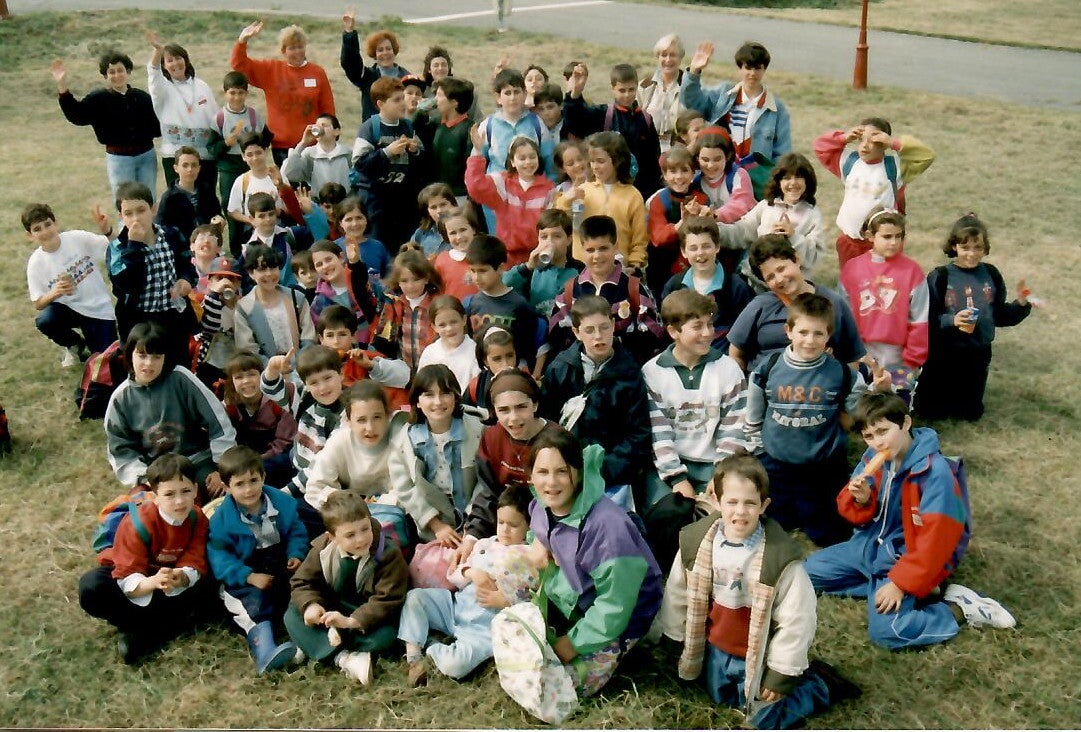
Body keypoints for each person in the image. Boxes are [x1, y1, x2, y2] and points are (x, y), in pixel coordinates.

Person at [803, 392, 1017, 649]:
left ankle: (959, 608)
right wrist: (862, 500)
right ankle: (919, 590)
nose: (877, 442)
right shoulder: (872, 458)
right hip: (867, 546)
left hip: (902, 557)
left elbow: (936, 541)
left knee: (890, 632)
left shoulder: (935, 473)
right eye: (869, 436)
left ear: (905, 423)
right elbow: (853, 513)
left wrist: (900, 583)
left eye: (883, 431)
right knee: (804, 575)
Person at [660, 454, 858, 729]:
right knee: (723, 699)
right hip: (717, 644)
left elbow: (796, 619)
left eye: (750, 503)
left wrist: (781, 672)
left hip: (757, 649)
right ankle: (733, 681)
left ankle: (817, 686)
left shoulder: (780, 558)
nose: (740, 511)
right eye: (732, 502)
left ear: (763, 506)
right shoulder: (697, 543)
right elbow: (678, 592)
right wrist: (674, 636)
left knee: (761, 716)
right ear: (716, 502)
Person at [494, 431, 663, 712]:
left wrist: (571, 644)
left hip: (620, 616)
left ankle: (618, 648)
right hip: (575, 591)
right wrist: (540, 545)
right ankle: (541, 628)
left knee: (561, 691)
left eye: (562, 471)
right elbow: (541, 535)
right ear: (531, 475)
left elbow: (615, 606)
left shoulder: (608, 528)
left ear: (579, 472)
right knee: (510, 563)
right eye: (542, 472)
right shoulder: (539, 504)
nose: (551, 482)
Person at [744, 293, 886, 547]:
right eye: (803, 332)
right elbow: (754, 413)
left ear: (828, 336)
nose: (810, 341)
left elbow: (860, 410)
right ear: (789, 331)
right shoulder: (768, 368)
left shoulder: (841, 373)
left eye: (818, 334)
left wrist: (878, 390)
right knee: (775, 526)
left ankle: (817, 515)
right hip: (777, 462)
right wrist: (758, 449)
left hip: (823, 463)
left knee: (829, 535)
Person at [78, 454, 214, 664]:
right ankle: (150, 626)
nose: (179, 501)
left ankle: (148, 629)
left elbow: (195, 556)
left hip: (171, 581)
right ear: (155, 494)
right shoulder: (137, 523)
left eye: (186, 491)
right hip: (138, 579)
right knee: (92, 586)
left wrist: (183, 576)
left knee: (213, 575)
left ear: (196, 489)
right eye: (169, 494)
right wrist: (152, 583)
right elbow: (127, 570)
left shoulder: (197, 518)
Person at [399, 483, 538, 685]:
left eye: (513, 525)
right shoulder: (485, 544)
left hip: (483, 629)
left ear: (529, 526)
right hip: (455, 607)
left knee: (455, 666)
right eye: (501, 523)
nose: (505, 530)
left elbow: (531, 600)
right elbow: (454, 576)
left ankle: (431, 645)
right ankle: (413, 657)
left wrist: (506, 599)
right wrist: (473, 573)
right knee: (415, 598)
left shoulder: (529, 557)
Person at [914, 213, 1032, 421]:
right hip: (943, 352)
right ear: (954, 247)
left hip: (977, 352)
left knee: (969, 414)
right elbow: (926, 317)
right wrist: (952, 320)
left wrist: (1021, 305)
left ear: (985, 248)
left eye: (978, 248)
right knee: (931, 411)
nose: (972, 254)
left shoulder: (991, 274)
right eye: (965, 247)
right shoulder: (940, 276)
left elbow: (999, 314)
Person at [539, 295, 652, 511]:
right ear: (576, 332)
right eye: (589, 330)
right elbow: (547, 424)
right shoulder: (560, 369)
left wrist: (601, 471)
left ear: (613, 326)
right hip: (566, 471)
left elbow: (638, 434)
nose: (598, 336)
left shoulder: (629, 373)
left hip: (613, 474)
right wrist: (566, 468)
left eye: (604, 327)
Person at [285, 490, 409, 685]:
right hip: (330, 611)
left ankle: (313, 645)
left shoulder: (388, 553)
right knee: (292, 614)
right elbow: (302, 582)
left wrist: (351, 622)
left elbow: (388, 599)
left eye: (365, 529)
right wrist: (311, 606)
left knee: (386, 636)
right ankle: (344, 658)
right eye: (350, 535)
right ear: (332, 536)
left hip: (363, 616)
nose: (361, 539)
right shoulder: (322, 550)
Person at [642, 289, 751, 508]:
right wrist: (677, 479)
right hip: (669, 467)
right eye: (697, 326)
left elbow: (734, 428)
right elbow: (659, 433)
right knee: (669, 513)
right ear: (674, 332)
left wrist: (721, 475)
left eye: (709, 324)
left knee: (725, 511)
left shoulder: (728, 369)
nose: (707, 333)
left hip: (717, 465)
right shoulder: (652, 372)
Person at [207, 445, 308, 674]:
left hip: (278, 561)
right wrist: (249, 576)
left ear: (263, 476)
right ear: (227, 487)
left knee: (302, 585)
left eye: (253, 480)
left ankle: (306, 629)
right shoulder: (222, 520)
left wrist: (295, 554)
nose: (248, 489)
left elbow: (296, 531)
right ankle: (265, 649)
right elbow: (219, 557)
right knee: (252, 602)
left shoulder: (282, 503)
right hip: (245, 569)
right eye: (239, 484)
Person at [105, 322, 236, 495]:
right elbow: (120, 451)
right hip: (158, 476)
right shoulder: (120, 399)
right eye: (142, 355)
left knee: (226, 496)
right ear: (130, 355)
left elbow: (219, 423)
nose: (149, 363)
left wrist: (222, 467)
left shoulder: (181, 378)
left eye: (157, 356)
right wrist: (144, 480)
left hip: (198, 462)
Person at [727, 235, 865, 374]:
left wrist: (846, 391)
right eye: (770, 277)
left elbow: (851, 358)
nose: (780, 279)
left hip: (818, 386)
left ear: (796, 259)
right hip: (767, 387)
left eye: (781, 269)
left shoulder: (834, 303)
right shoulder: (760, 306)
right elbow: (735, 352)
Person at [813, 117, 935, 267]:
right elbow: (820, 146)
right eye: (862, 140)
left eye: (874, 141)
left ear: (884, 145)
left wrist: (893, 142)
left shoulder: (895, 167)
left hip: (882, 244)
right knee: (851, 284)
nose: (865, 146)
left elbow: (926, 156)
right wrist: (844, 138)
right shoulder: (849, 162)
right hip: (850, 243)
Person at [546, 215, 664, 366]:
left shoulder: (635, 289)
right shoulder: (568, 293)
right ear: (581, 250)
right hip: (580, 378)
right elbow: (557, 343)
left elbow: (654, 339)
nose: (597, 256)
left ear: (615, 247)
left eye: (603, 248)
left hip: (623, 378)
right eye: (590, 250)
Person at [838, 208, 929, 402]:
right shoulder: (852, 269)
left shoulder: (912, 271)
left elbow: (920, 319)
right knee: (862, 408)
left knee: (895, 411)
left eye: (899, 236)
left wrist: (913, 359)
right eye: (887, 236)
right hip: (862, 353)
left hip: (898, 356)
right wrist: (853, 353)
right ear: (870, 235)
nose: (894, 242)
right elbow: (844, 315)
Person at [388, 365, 485, 545]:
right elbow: (405, 488)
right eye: (429, 395)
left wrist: (473, 524)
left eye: (445, 393)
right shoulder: (406, 439)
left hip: (474, 516)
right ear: (417, 400)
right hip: (431, 517)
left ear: (456, 397)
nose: (438, 402)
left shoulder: (476, 430)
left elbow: (484, 480)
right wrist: (436, 525)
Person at [107, 181, 198, 367]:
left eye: (141, 210)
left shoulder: (172, 235)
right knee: (144, 367)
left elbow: (187, 265)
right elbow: (125, 285)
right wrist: (134, 247)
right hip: (138, 320)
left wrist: (186, 280)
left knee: (177, 363)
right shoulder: (118, 248)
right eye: (128, 213)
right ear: (120, 216)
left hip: (172, 315)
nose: (136, 219)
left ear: (153, 209)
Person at [51, 52, 159, 196]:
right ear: (105, 76)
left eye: (120, 70)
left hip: (146, 157)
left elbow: (158, 126)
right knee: (125, 200)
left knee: (148, 197)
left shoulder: (142, 98)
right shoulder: (98, 99)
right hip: (119, 159)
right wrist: (62, 85)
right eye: (111, 72)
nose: (116, 75)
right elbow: (76, 115)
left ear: (128, 71)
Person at [23, 202, 118, 366]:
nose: (45, 231)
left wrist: (107, 230)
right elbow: (38, 303)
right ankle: (74, 344)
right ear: (30, 235)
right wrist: (54, 292)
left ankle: (94, 339)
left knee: (106, 361)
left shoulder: (76, 238)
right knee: (45, 320)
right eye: (37, 229)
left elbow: (113, 244)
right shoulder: (36, 263)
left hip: (98, 309)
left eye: (48, 224)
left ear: (56, 223)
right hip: (69, 310)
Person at [230, 20, 336, 163]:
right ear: (283, 51)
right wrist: (242, 41)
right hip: (282, 147)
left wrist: (329, 136)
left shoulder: (317, 72)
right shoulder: (271, 70)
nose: (297, 52)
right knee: (287, 185)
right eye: (292, 48)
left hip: (313, 144)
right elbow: (239, 65)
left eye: (300, 47)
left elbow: (327, 109)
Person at [302, 381, 401, 533]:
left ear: (387, 416)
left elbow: (407, 489)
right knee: (300, 511)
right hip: (347, 505)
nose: (370, 428)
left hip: (389, 508)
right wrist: (351, 504)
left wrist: (376, 505)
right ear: (348, 421)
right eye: (361, 420)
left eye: (377, 417)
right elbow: (315, 488)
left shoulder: (399, 438)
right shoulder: (339, 441)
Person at [681, 41, 791, 175]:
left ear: (764, 69)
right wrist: (694, 71)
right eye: (748, 67)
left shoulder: (777, 109)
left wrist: (772, 182)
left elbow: (782, 154)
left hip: (754, 181)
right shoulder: (723, 94)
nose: (752, 73)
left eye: (757, 68)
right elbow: (692, 102)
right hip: (718, 173)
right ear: (740, 68)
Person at [724, 152, 825, 289]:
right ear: (778, 182)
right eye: (786, 178)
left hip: (789, 286)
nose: (793, 183)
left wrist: (793, 237)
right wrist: (713, 228)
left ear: (808, 181)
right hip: (754, 281)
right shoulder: (766, 206)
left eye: (799, 177)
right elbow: (741, 231)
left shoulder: (812, 215)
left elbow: (813, 258)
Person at [563, 63, 662, 198]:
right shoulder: (604, 114)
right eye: (622, 90)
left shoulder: (646, 119)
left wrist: (650, 193)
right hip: (607, 190)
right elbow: (576, 124)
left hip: (639, 191)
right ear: (613, 89)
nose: (627, 95)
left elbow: (653, 161)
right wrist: (575, 94)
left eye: (631, 89)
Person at [351, 77, 425, 255]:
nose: (402, 104)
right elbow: (360, 164)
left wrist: (415, 151)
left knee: (405, 246)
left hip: (403, 199)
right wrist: (386, 152)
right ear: (380, 103)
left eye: (403, 98)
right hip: (376, 200)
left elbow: (421, 161)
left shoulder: (407, 126)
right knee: (379, 245)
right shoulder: (370, 127)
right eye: (396, 100)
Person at [261, 344, 345, 499]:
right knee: (257, 472)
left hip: (321, 480)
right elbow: (271, 390)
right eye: (314, 382)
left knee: (289, 509)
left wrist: (287, 492)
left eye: (328, 378)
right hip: (296, 461)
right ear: (306, 385)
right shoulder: (305, 397)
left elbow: (322, 465)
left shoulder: (347, 414)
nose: (322, 387)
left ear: (341, 374)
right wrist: (272, 368)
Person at [557, 131, 648, 275]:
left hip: (618, 270)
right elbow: (559, 222)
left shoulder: (633, 195)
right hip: (582, 269)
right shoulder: (582, 191)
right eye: (592, 161)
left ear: (617, 160)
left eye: (600, 161)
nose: (595, 166)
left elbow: (639, 240)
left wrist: (634, 265)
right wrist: (565, 201)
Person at [661, 215, 754, 353]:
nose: (700, 253)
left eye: (706, 246)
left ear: (717, 247)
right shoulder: (675, 286)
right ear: (683, 251)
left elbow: (747, 331)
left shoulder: (735, 286)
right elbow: (668, 327)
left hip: (723, 359)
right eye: (693, 248)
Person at [475, 69, 551, 231]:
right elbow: (478, 164)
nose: (512, 97)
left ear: (524, 94)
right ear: (498, 97)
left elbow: (549, 161)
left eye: (517, 92)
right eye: (507, 93)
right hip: (498, 198)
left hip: (532, 199)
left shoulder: (537, 123)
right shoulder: (488, 126)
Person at [466, 128, 554, 266]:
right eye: (522, 158)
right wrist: (477, 152)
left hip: (538, 257)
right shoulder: (503, 183)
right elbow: (475, 186)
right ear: (512, 161)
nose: (528, 162)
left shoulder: (549, 189)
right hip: (507, 258)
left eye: (532, 156)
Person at [145, 31, 219, 190]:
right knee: (180, 202)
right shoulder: (162, 88)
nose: (175, 63)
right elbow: (153, 74)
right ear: (164, 66)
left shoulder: (202, 86)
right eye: (169, 60)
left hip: (204, 157)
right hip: (175, 155)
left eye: (178, 58)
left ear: (186, 60)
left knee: (206, 201)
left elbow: (215, 118)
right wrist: (158, 51)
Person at [210, 71, 268, 256]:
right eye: (232, 93)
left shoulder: (253, 116)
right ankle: (236, 251)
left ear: (246, 93)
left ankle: (257, 245)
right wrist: (226, 143)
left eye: (241, 93)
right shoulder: (219, 118)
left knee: (254, 204)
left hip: (250, 166)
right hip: (228, 168)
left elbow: (264, 140)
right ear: (225, 93)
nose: (236, 97)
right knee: (232, 207)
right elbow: (212, 148)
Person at [222, 350, 298, 489]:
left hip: (279, 454)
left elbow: (284, 441)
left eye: (252, 374)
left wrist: (255, 463)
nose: (246, 381)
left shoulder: (282, 395)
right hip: (245, 458)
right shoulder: (228, 405)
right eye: (239, 377)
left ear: (262, 375)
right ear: (232, 381)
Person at [464, 235, 539, 369]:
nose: (476, 277)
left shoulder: (519, 305)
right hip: (478, 372)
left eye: (482, 271)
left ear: (500, 268)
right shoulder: (471, 303)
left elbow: (528, 348)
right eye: (473, 271)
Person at [234, 245, 316, 365]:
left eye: (273, 268)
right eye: (262, 269)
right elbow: (248, 348)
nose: (269, 274)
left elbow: (309, 335)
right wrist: (273, 366)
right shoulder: (244, 307)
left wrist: (300, 361)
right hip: (266, 372)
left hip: (302, 366)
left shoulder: (296, 297)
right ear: (251, 273)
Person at [647, 144, 709, 295]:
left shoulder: (701, 199)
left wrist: (703, 217)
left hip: (692, 258)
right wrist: (681, 224)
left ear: (693, 173)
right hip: (662, 264)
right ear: (665, 174)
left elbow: (708, 233)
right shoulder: (660, 200)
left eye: (684, 170)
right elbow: (657, 237)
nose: (679, 177)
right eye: (673, 171)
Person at [502, 209, 582, 322]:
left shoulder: (578, 270)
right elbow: (504, 284)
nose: (550, 242)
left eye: (557, 236)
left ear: (568, 239)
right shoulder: (531, 269)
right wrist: (527, 267)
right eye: (544, 237)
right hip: (535, 329)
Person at [371, 250, 444, 375]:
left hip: (433, 373)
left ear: (426, 278)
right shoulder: (394, 306)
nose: (410, 286)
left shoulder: (437, 305)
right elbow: (384, 343)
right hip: (404, 374)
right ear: (398, 282)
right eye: (404, 281)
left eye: (415, 280)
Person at [340, 15, 411, 122]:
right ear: (374, 54)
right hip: (374, 132)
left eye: (388, 48)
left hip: (401, 132)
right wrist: (349, 33)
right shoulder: (367, 77)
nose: (385, 53)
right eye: (380, 50)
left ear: (394, 50)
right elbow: (351, 63)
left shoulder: (408, 78)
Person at [155, 146, 224, 244]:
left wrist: (219, 221)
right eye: (185, 165)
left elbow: (216, 213)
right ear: (176, 168)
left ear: (199, 168)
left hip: (207, 244)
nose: (190, 169)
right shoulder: (169, 198)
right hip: (181, 249)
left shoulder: (206, 191)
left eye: (194, 165)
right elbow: (161, 227)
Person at [417, 295, 481, 395]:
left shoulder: (475, 352)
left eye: (453, 322)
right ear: (434, 327)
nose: (449, 329)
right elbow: (421, 388)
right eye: (442, 325)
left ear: (464, 319)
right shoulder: (430, 353)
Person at [693, 129, 755, 227]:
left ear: (728, 156)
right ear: (697, 158)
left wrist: (715, 215)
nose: (711, 165)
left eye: (717, 159)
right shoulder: (697, 183)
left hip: (741, 230)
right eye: (705, 160)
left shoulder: (738, 175)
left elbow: (742, 204)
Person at [281, 114, 352, 195]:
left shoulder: (347, 153)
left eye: (324, 125)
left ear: (337, 131)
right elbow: (291, 175)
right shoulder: (309, 154)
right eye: (317, 126)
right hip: (319, 203)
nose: (319, 129)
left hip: (344, 203)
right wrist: (303, 143)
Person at [428, 77, 476, 198]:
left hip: (459, 195)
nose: (435, 100)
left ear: (454, 102)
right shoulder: (435, 124)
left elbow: (471, 167)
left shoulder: (469, 129)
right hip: (436, 194)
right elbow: (414, 127)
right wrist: (421, 110)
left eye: (439, 96)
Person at [638, 34, 686, 152]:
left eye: (673, 55)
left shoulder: (689, 87)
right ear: (657, 57)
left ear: (680, 58)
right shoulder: (644, 85)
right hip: (648, 151)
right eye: (663, 55)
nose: (668, 60)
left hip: (679, 154)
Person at [462, 324, 518, 422]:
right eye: (497, 359)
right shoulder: (476, 386)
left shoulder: (527, 384)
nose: (505, 364)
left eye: (510, 356)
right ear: (485, 361)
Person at [335, 196, 391, 292]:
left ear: (366, 219)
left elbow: (388, 275)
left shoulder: (377, 246)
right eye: (349, 219)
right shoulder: (334, 248)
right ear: (341, 223)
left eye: (359, 218)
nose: (355, 224)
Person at [432, 206, 480, 301]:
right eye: (453, 233)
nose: (459, 237)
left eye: (463, 230)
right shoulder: (442, 260)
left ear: (473, 229)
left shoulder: (487, 254)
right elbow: (437, 293)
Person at [411, 183, 457, 257]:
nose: (439, 210)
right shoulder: (420, 234)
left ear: (453, 204)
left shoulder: (463, 230)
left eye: (443, 204)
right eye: (433, 207)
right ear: (427, 211)